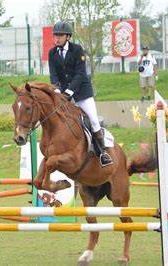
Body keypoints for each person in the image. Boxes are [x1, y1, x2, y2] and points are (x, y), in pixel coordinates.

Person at [48, 21, 112, 167]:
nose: (57, 38)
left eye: (60, 35)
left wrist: (69, 92)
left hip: (82, 93)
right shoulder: (52, 53)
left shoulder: (77, 50)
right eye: (55, 35)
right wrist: (58, 91)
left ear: (68, 37)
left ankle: (103, 152)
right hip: (63, 94)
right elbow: (54, 75)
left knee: (93, 120)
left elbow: (80, 73)